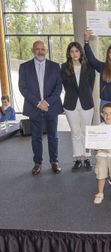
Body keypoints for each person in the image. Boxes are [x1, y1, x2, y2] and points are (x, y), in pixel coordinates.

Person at [18, 40, 63, 175]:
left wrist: (47, 102)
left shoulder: (55, 67)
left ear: (46, 51)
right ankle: (37, 163)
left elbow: (58, 87)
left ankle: (54, 161)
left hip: (51, 107)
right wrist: (38, 103)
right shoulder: (24, 67)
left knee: (53, 136)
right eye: (37, 49)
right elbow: (23, 88)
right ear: (33, 50)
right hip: (34, 107)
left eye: (42, 49)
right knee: (36, 137)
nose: (40, 51)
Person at [61, 42, 96, 171]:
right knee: (75, 132)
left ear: (81, 52)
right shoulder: (64, 67)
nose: (74, 54)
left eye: (77, 51)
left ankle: (86, 157)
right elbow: (65, 86)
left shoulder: (89, 67)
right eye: (72, 51)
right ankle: (77, 158)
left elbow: (90, 85)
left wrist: (84, 95)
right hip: (71, 104)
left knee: (86, 132)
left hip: (86, 102)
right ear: (69, 54)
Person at [93, 103, 111, 204]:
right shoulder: (98, 128)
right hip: (101, 156)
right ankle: (100, 193)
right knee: (100, 175)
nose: (108, 116)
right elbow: (94, 144)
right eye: (105, 113)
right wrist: (95, 148)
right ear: (102, 114)